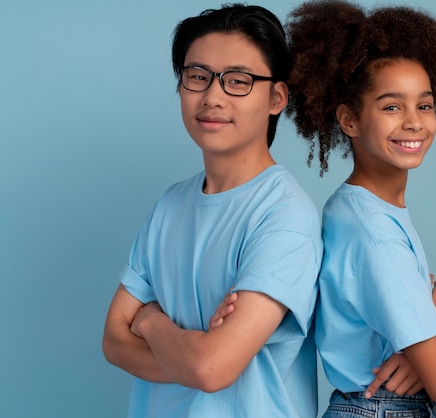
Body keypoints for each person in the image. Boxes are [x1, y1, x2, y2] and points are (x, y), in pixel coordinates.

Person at [101, 4, 323, 418]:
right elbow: (113, 341)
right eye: (197, 77)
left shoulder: (285, 215)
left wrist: (150, 322)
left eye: (237, 81)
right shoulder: (171, 204)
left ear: (277, 97)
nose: (212, 96)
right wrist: (195, 354)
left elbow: (212, 367)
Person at [285, 1, 436, 416]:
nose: (414, 122)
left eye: (424, 105)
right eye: (391, 106)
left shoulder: (356, 209)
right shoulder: (375, 236)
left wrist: (435, 343)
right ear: (349, 120)